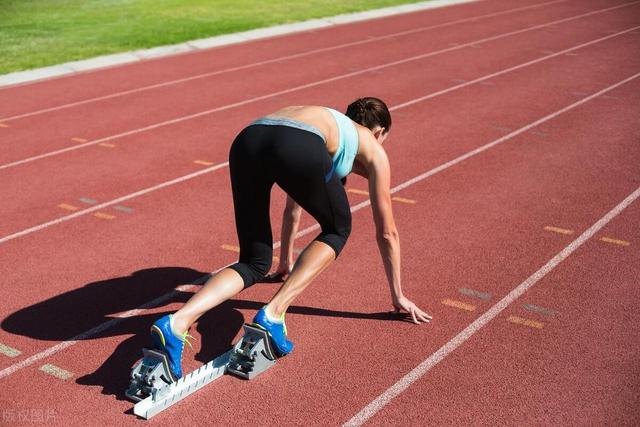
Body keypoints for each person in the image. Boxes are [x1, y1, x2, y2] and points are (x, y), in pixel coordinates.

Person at [150, 97, 432, 380]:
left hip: (248, 139)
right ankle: (273, 314)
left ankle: (177, 322)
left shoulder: (325, 124)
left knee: (253, 263)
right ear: (379, 132)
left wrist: (284, 260)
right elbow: (387, 231)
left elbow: (293, 207)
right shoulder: (371, 147)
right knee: (338, 228)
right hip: (292, 144)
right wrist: (398, 295)